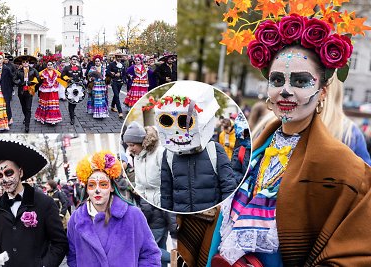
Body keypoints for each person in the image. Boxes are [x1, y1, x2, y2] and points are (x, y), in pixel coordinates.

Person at [207, 7, 371, 266]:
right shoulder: (257, 148)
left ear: (323, 91)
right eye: (277, 80)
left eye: (300, 81)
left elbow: (355, 250)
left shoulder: (344, 167)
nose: (285, 91)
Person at [0, 139, 69, 267]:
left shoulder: (44, 202)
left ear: (20, 172)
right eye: (0, 175)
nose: (4, 179)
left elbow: (59, 243)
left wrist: (45, 265)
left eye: (9, 172)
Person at [151, 81, 237, 212]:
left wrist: (221, 216)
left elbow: (229, 188)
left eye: (185, 122)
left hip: (209, 222)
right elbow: (166, 193)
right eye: (167, 121)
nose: (177, 133)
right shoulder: (168, 155)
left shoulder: (214, 151)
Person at [67, 150, 161, 267]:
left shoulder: (133, 215)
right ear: (86, 189)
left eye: (103, 184)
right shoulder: (75, 220)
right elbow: (72, 257)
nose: (97, 190)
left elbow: (150, 254)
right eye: (91, 185)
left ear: (111, 187)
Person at [123, 122, 164, 206]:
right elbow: (139, 183)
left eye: (132, 145)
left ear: (141, 142)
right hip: (146, 201)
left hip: (161, 199)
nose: (130, 149)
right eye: (128, 145)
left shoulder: (159, 153)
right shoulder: (137, 156)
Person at [13, 55, 40, 133]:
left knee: (28, 108)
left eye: (27, 62)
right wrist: (20, 83)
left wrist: (31, 83)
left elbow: (38, 78)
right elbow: (14, 79)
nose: (25, 63)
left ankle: (27, 125)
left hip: (29, 91)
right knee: (24, 107)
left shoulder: (33, 70)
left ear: (29, 63)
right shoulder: (18, 71)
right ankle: (26, 117)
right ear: (22, 63)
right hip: (21, 91)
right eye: (24, 62)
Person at [34, 57, 63, 125]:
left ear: (53, 65)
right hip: (45, 91)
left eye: (51, 65)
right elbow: (37, 77)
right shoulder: (43, 72)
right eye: (48, 65)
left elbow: (62, 77)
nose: (50, 66)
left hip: (53, 91)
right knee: (45, 104)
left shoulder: (56, 72)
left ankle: (53, 119)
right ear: (46, 66)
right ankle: (42, 117)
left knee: (52, 104)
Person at [61, 55, 84, 125]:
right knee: (71, 102)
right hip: (70, 88)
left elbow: (81, 76)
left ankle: (72, 111)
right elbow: (62, 76)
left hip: (77, 87)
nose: (74, 61)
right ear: (70, 60)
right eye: (73, 59)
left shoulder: (79, 68)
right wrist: (68, 79)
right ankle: (72, 118)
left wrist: (81, 80)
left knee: (76, 101)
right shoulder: (67, 67)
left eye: (76, 59)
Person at [106, 52, 126, 118]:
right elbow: (107, 71)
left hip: (120, 82)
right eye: (118, 57)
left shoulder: (123, 64)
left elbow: (124, 73)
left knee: (116, 94)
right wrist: (113, 74)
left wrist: (123, 79)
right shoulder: (112, 64)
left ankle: (112, 106)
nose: (119, 58)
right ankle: (120, 112)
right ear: (116, 57)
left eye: (120, 57)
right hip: (114, 81)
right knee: (117, 95)